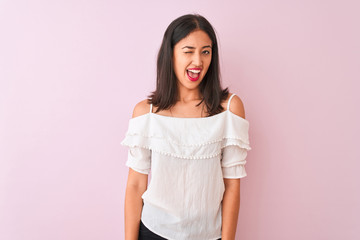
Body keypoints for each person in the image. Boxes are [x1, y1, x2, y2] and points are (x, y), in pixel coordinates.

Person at [121, 14, 251, 240]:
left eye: (206, 51)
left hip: (209, 235)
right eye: (188, 51)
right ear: (170, 55)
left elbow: (232, 187)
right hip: (153, 231)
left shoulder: (229, 109)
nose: (198, 62)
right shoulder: (147, 113)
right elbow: (135, 185)